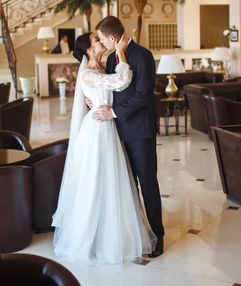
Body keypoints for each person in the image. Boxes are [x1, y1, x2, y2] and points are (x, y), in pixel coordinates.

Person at [51, 32, 156, 264]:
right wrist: (120, 53)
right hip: (97, 130)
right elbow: (121, 81)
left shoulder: (101, 68)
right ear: (89, 50)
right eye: (96, 40)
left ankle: (113, 232)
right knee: (95, 181)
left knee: (112, 182)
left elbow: (117, 90)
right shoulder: (88, 74)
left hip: (109, 126)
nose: (101, 41)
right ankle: (92, 237)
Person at [92, 15, 165, 258]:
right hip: (117, 132)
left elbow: (143, 94)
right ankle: (136, 234)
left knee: (147, 183)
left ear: (113, 37)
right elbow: (111, 88)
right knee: (127, 185)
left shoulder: (142, 55)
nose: (101, 43)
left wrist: (113, 111)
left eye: (102, 39)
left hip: (140, 132)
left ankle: (158, 236)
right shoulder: (113, 57)